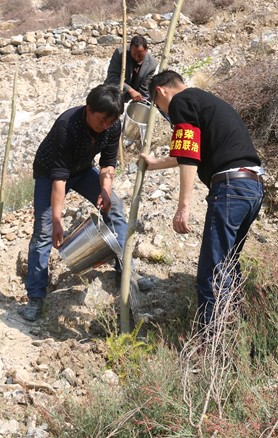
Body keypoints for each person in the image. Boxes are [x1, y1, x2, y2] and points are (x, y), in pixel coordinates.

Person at [140, 70, 264, 329]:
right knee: (227, 264)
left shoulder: (180, 102)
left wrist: (183, 207)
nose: (163, 111)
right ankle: (235, 329)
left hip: (230, 189)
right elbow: (191, 150)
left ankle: (211, 340)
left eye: (158, 105)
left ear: (161, 91)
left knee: (212, 271)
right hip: (251, 187)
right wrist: (155, 163)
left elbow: (188, 157)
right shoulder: (204, 101)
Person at [20, 84, 129, 321]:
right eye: (102, 120)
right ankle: (35, 297)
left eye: (111, 121)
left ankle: (126, 272)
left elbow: (108, 163)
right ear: (89, 109)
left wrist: (105, 190)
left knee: (115, 208)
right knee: (44, 232)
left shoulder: (113, 125)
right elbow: (59, 178)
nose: (106, 125)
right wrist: (57, 219)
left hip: (83, 169)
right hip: (50, 174)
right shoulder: (67, 125)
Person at [105, 35, 157, 103]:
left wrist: (143, 101)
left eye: (140, 55)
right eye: (134, 54)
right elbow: (112, 77)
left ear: (146, 49)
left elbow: (144, 89)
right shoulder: (120, 54)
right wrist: (130, 90)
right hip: (112, 94)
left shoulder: (152, 64)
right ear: (130, 48)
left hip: (132, 100)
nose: (136, 57)